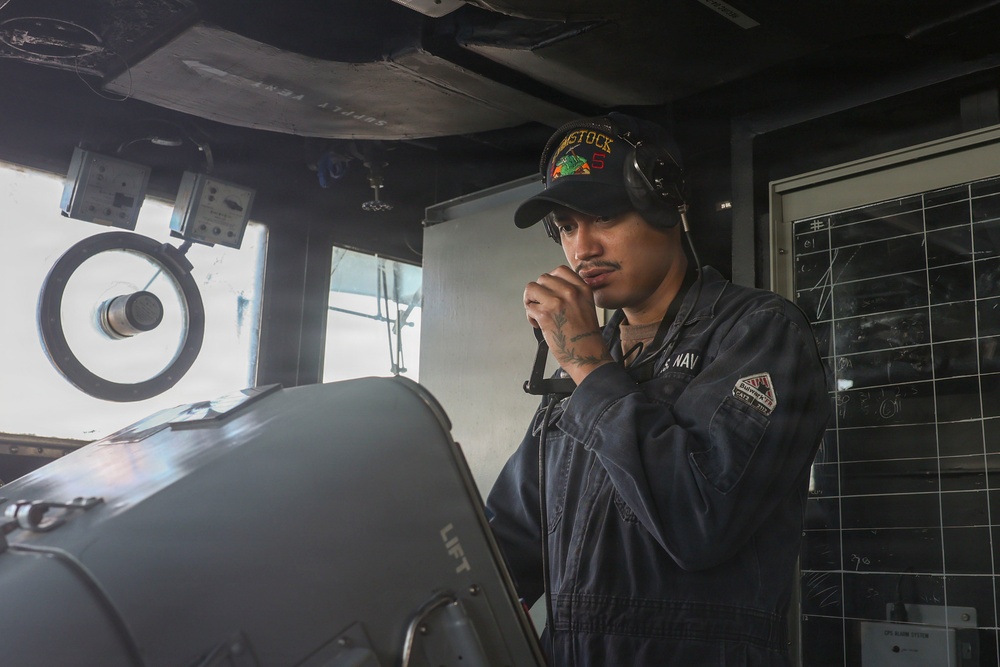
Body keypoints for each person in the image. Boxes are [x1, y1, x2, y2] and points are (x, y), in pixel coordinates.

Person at [485, 112, 831, 666]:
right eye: (567, 227)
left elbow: (699, 521)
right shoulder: (583, 366)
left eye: (602, 216)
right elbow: (512, 539)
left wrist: (589, 364)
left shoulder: (759, 332)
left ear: (666, 206)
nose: (582, 249)